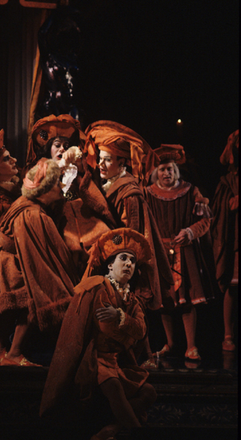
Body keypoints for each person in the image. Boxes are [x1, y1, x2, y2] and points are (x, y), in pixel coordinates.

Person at [0, 158, 79, 366]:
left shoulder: (27, 204)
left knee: (11, 305)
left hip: (3, 256)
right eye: (57, 183)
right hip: (5, 259)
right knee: (33, 299)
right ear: (45, 189)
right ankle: (12, 353)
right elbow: (37, 255)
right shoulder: (33, 214)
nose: (61, 187)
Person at [40, 228, 157, 440]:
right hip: (96, 360)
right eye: (123, 258)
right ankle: (138, 433)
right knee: (113, 387)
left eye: (132, 260)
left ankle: (111, 429)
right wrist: (127, 332)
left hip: (118, 362)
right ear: (110, 265)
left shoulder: (133, 299)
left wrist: (120, 315)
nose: (129, 263)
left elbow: (140, 332)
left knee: (149, 392)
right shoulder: (98, 288)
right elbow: (107, 329)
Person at [83, 121, 174, 369]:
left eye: (108, 160)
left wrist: (120, 262)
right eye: (100, 158)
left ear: (122, 163)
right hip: (110, 259)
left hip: (125, 262)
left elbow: (131, 237)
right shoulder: (109, 184)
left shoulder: (129, 192)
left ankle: (139, 358)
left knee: (130, 303)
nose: (101, 164)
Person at [146, 144, 216, 361]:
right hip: (160, 252)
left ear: (176, 170)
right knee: (165, 301)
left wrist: (189, 231)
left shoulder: (190, 190)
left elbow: (206, 220)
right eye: (162, 169)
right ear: (155, 172)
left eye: (170, 169)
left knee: (186, 301)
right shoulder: (147, 194)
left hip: (185, 252)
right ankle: (170, 343)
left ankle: (191, 345)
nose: (166, 173)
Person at [26, 114, 116, 275]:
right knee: (68, 248)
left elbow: (90, 190)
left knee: (102, 237)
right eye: (57, 145)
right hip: (58, 216)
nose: (62, 149)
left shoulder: (76, 168)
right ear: (49, 148)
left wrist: (83, 174)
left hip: (82, 212)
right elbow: (40, 191)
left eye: (66, 145)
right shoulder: (42, 166)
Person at [211, 130, 239, 352]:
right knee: (233, 285)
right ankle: (227, 334)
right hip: (235, 240)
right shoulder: (228, 180)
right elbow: (220, 210)